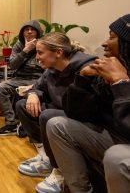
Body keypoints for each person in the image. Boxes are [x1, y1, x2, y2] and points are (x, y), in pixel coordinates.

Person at [46, 14, 130, 192]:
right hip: (112, 135)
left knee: (116, 157)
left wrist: (121, 84)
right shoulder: (108, 69)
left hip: (125, 142)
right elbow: (77, 114)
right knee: (56, 124)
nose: (104, 43)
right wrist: (82, 80)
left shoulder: (120, 77)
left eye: (112, 37)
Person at [15, 32, 96, 193]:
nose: (37, 57)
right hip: (62, 115)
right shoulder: (52, 69)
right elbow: (38, 86)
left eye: (40, 52)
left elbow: (88, 109)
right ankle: (46, 158)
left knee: (47, 115)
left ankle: (59, 171)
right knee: (23, 105)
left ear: (58, 52)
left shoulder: (86, 68)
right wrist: (33, 94)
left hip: (84, 120)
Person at [0, 20, 44, 136]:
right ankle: (11, 123)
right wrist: (25, 50)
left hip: (38, 79)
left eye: (32, 29)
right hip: (20, 78)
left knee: (32, 93)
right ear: (23, 33)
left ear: (38, 32)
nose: (29, 32)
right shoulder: (19, 45)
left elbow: (47, 66)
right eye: (26, 29)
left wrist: (35, 48)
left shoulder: (43, 44)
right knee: (0, 87)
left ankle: (29, 124)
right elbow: (12, 65)